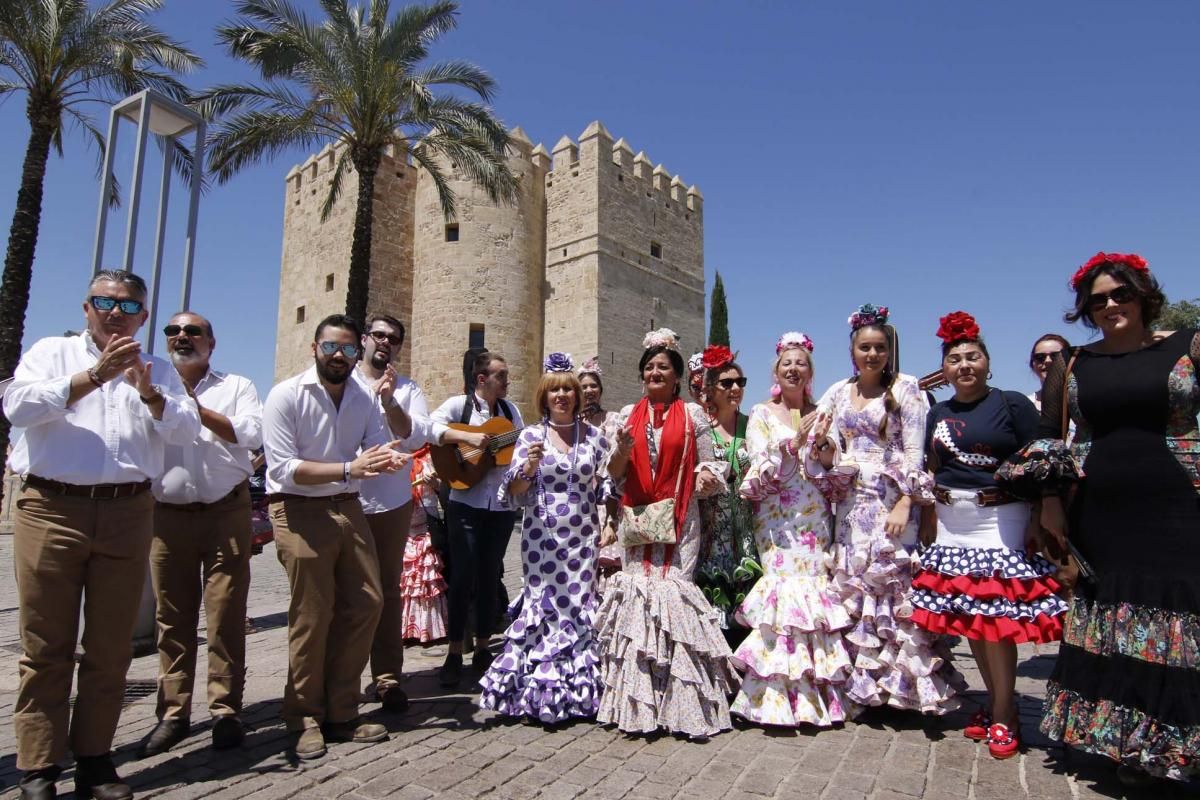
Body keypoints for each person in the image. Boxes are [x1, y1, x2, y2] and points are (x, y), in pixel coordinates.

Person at [4, 269, 200, 800]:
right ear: (85, 307)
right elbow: (17, 407)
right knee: (47, 645)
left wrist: (153, 397)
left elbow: (186, 431)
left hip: (128, 510)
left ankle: (94, 759)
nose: (115, 312)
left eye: (128, 305)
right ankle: (38, 767)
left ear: (143, 314)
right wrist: (94, 375)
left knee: (110, 646)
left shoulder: (158, 368)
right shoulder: (51, 352)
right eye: (103, 301)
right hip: (52, 508)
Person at [1005, 252, 1200, 785]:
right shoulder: (1074, 364)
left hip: (1180, 502)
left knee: (1175, 618)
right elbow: (1049, 439)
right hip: (1100, 510)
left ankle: (1176, 749)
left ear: (1143, 295)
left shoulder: (1189, 346)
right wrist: (1049, 506)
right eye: (1098, 300)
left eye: (1121, 294)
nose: (1111, 305)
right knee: (1112, 621)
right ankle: (1123, 749)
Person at [912, 311, 1066, 760]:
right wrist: (927, 517)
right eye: (956, 358)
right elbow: (932, 465)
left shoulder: (1011, 403)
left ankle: (1004, 710)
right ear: (946, 367)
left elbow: (1037, 462)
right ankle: (999, 702)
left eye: (973, 356)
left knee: (995, 618)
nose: (965, 365)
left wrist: (1040, 515)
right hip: (951, 521)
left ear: (987, 362)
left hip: (1000, 519)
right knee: (972, 616)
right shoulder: (937, 411)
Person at [262, 313, 407, 760]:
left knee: (367, 601)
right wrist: (351, 469)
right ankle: (304, 715)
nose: (339, 356)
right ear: (314, 349)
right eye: (331, 348)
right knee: (312, 612)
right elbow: (283, 469)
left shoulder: (362, 399)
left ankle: (341, 711)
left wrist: (381, 459)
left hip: (347, 506)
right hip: (298, 507)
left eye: (347, 349)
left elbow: (373, 443)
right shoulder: (286, 395)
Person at [815, 304, 962, 713]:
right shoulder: (837, 392)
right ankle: (862, 689)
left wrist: (905, 502)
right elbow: (824, 441)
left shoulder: (907, 389)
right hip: (849, 505)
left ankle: (905, 692)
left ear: (889, 351)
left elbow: (915, 454)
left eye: (879, 347)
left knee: (893, 589)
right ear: (853, 352)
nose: (872, 355)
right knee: (855, 588)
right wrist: (824, 451)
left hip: (890, 503)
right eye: (865, 347)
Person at [595, 329, 736, 738]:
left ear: (676, 376)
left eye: (664, 366)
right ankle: (637, 704)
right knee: (638, 597)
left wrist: (708, 478)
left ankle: (682, 704)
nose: (656, 372)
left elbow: (712, 465)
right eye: (650, 367)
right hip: (637, 520)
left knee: (672, 597)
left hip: (680, 520)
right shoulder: (624, 416)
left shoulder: (693, 416)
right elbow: (614, 474)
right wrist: (621, 448)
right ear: (643, 375)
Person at [138, 312, 264, 759]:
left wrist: (190, 409)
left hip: (225, 509)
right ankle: (172, 714)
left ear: (212, 342)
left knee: (226, 612)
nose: (182, 337)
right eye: (173, 331)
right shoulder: (147, 381)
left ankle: (225, 710)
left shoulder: (237, 386)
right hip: (167, 514)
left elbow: (251, 433)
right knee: (172, 618)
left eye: (193, 331)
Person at [732, 332, 858, 727]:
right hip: (777, 520)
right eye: (786, 363)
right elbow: (757, 461)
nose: (793, 368)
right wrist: (789, 447)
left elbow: (832, 463)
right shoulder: (761, 413)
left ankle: (816, 697)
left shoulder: (824, 413)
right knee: (783, 599)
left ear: (810, 372)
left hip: (814, 518)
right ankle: (772, 697)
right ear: (776, 371)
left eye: (800, 363)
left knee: (813, 598)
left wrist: (823, 448)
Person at [480, 354, 608, 722]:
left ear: (577, 395)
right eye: (555, 390)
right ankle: (533, 689)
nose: (563, 395)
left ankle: (580, 693)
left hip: (583, 539)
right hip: (541, 539)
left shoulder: (595, 437)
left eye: (568, 388)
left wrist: (611, 519)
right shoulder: (531, 436)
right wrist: (529, 468)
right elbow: (515, 490)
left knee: (578, 606)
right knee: (544, 604)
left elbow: (607, 486)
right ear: (544, 396)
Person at [428, 351, 525, 687]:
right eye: (501, 375)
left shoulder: (511, 413)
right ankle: (454, 652)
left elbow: (522, 447)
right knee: (463, 576)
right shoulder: (459, 407)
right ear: (482, 379)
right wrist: (466, 437)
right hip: (464, 504)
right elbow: (429, 428)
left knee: (488, 577)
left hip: (500, 508)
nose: (507, 381)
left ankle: (483, 648)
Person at [353, 313, 431, 714]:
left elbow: (414, 435)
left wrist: (389, 402)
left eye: (393, 338)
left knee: (387, 591)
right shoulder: (343, 383)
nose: (385, 343)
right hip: (344, 499)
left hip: (390, 503)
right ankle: (342, 682)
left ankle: (386, 679)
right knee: (345, 593)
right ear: (365, 338)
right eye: (379, 335)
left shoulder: (408, 388)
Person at [695, 345, 759, 645]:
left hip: (750, 536)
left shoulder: (755, 426)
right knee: (715, 628)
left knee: (750, 625)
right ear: (710, 389)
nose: (735, 388)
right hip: (712, 538)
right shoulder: (701, 430)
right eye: (727, 383)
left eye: (740, 382)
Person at [578, 358, 623, 586]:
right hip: (582, 500)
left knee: (608, 561)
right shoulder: (573, 425)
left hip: (608, 499)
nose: (589, 391)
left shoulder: (613, 419)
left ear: (601, 390)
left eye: (593, 386)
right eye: (584, 387)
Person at [400, 447, 448, 643]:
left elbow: (444, 488)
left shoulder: (432, 457)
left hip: (426, 526)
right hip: (402, 527)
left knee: (426, 580)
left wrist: (435, 484)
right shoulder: (396, 457)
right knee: (406, 582)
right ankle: (406, 629)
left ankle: (429, 629)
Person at [1027, 334, 1071, 412]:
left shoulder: (1086, 400)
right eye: (1040, 357)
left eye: (1056, 356)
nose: (1048, 361)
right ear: (1032, 364)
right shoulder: (1025, 405)